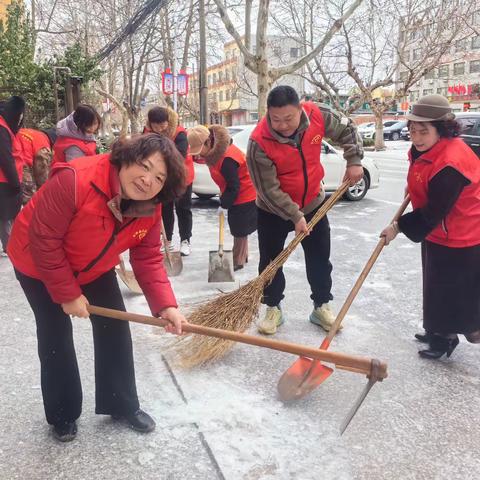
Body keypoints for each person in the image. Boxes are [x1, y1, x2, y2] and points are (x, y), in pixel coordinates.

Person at [7, 134, 187, 442]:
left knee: (115, 324)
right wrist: (67, 294)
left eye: (159, 177)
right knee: (55, 332)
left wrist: (166, 305)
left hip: (93, 263)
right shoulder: (76, 180)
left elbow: (147, 259)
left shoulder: (148, 205)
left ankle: (121, 403)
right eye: (143, 166)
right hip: (36, 261)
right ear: (125, 158)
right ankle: (62, 415)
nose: (147, 180)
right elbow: (44, 242)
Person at [247, 85, 364, 335]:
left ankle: (321, 306)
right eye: (276, 119)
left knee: (320, 257)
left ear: (300, 108)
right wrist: (295, 216)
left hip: (313, 202)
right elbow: (268, 190)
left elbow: (348, 128)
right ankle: (273, 307)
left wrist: (354, 161)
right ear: (268, 113)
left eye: (289, 118)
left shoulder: (318, 115)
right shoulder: (259, 142)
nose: (283, 125)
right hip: (273, 210)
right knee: (270, 262)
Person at [381, 94, 480, 359]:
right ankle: (437, 329)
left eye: (423, 131)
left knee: (450, 288)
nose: (416, 137)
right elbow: (422, 171)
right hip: (440, 231)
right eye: (412, 130)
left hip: (460, 233)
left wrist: (398, 227)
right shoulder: (426, 148)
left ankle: (448, 337)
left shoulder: (452, 163)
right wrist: (413, 186)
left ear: (442, 129)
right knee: (435, 283)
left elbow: (434, 212)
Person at [187, 124, 257, 270]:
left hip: (245, 195)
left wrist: (224, 204)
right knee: (239, 228)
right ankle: (242, 256)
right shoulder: (217, 153)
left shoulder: (227, 159)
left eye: (199, 151)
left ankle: (238, 260)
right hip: (235, 193)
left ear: (207, 142)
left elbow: (234, 186)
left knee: (239, 229)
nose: (198, 155)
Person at [144, 106, 194, 256]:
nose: (159, 128)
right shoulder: (147, 133)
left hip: (181, 176)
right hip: (161, 177)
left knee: (183, 209)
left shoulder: (179, 133)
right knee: (165, 209)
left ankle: (185, 240)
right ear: (150, 123)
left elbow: (180, 155)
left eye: (162, 124)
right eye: (156, 125)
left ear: (168, 121)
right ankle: (168, 240)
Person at [0, 96, 25, 254]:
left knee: (8, 215)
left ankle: (12, 245)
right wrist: (15, 183)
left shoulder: (6, 125)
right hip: (5, 181)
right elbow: (5, 158)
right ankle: (10, 247)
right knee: (5, 215)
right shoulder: (2, 128)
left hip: (10, 179)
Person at [17, 127, 56, 204]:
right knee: (31, 200)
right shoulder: (44, 144)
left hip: (7, 161)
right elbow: (41, 170)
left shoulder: (28, 132)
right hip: (21, 167)